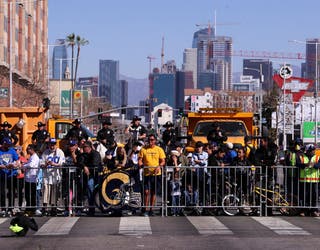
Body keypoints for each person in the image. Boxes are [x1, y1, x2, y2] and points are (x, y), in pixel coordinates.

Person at [138, 134, 166, 216]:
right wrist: (141, 165)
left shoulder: (159, 149)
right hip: (147, 174)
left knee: (154, 192)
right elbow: (140, 160)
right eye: (149, 140)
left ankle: (151, 209)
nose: (151, 141)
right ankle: (146, 209)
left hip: (156, 174)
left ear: (155, 141)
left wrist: (159, 166)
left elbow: (163, 161)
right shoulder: (143, 149)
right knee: (146, 192)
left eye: (152, 139)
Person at [40, 138, 65, 216]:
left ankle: (53, 208)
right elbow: (41, 164)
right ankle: (45, 208)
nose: (52, 146)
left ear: (56, 145)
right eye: (51, 144)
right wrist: (46, 164)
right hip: (46, 176)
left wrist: (54, 164)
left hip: (55, 176)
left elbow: (62, 163)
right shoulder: (45, 153)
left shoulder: (60, 152)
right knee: (45, 192)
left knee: (54, 193)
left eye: (53, 144)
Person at [77, 140, 102, 216]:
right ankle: (91, 209)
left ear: (90, 147)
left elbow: (95, 163)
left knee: (97, 191)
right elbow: (79, 162)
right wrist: (84, 167)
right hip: (89, 176)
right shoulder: (83, 155)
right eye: (83, 147)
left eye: (86, 147)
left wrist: (87, 166)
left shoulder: (95, 153)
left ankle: (101, 207)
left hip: (97, 175)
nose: (84, 149)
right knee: (89, 189)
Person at [296, 144, 320, 217]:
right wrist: (305, 165)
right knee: (304, 196)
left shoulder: (317, 157)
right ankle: (304, 210)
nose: (313, 151)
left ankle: (314, 210)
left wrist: (313, 165)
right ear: (308, 151)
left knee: (314, 196)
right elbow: (298, 164)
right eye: (312, 150)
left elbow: (319, 165)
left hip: (314, 180)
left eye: (313, 150)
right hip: (304, 180)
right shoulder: (302, 157)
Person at [0, 137, 19, 216]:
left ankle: (11, 208)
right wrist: (2, 166)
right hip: (2, 174)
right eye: (7, 144)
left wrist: (15, 164)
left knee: (11, 192)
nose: (8, 146)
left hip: (11, 175)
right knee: (2, 192)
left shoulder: (12, 151)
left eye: (9, 144)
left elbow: (17, 160)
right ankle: (3, 208)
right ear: (3, 144)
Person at [22, 144, 40, 215]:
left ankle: (31, 209)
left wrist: (24, 165)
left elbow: (31, 165)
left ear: (32, 149)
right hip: (28, 179)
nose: (27, 150)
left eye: (28, 149)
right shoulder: (31, 157)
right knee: (27, 195)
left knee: (31, 195)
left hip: (32, 179)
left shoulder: (35, 157)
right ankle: (29, 208)